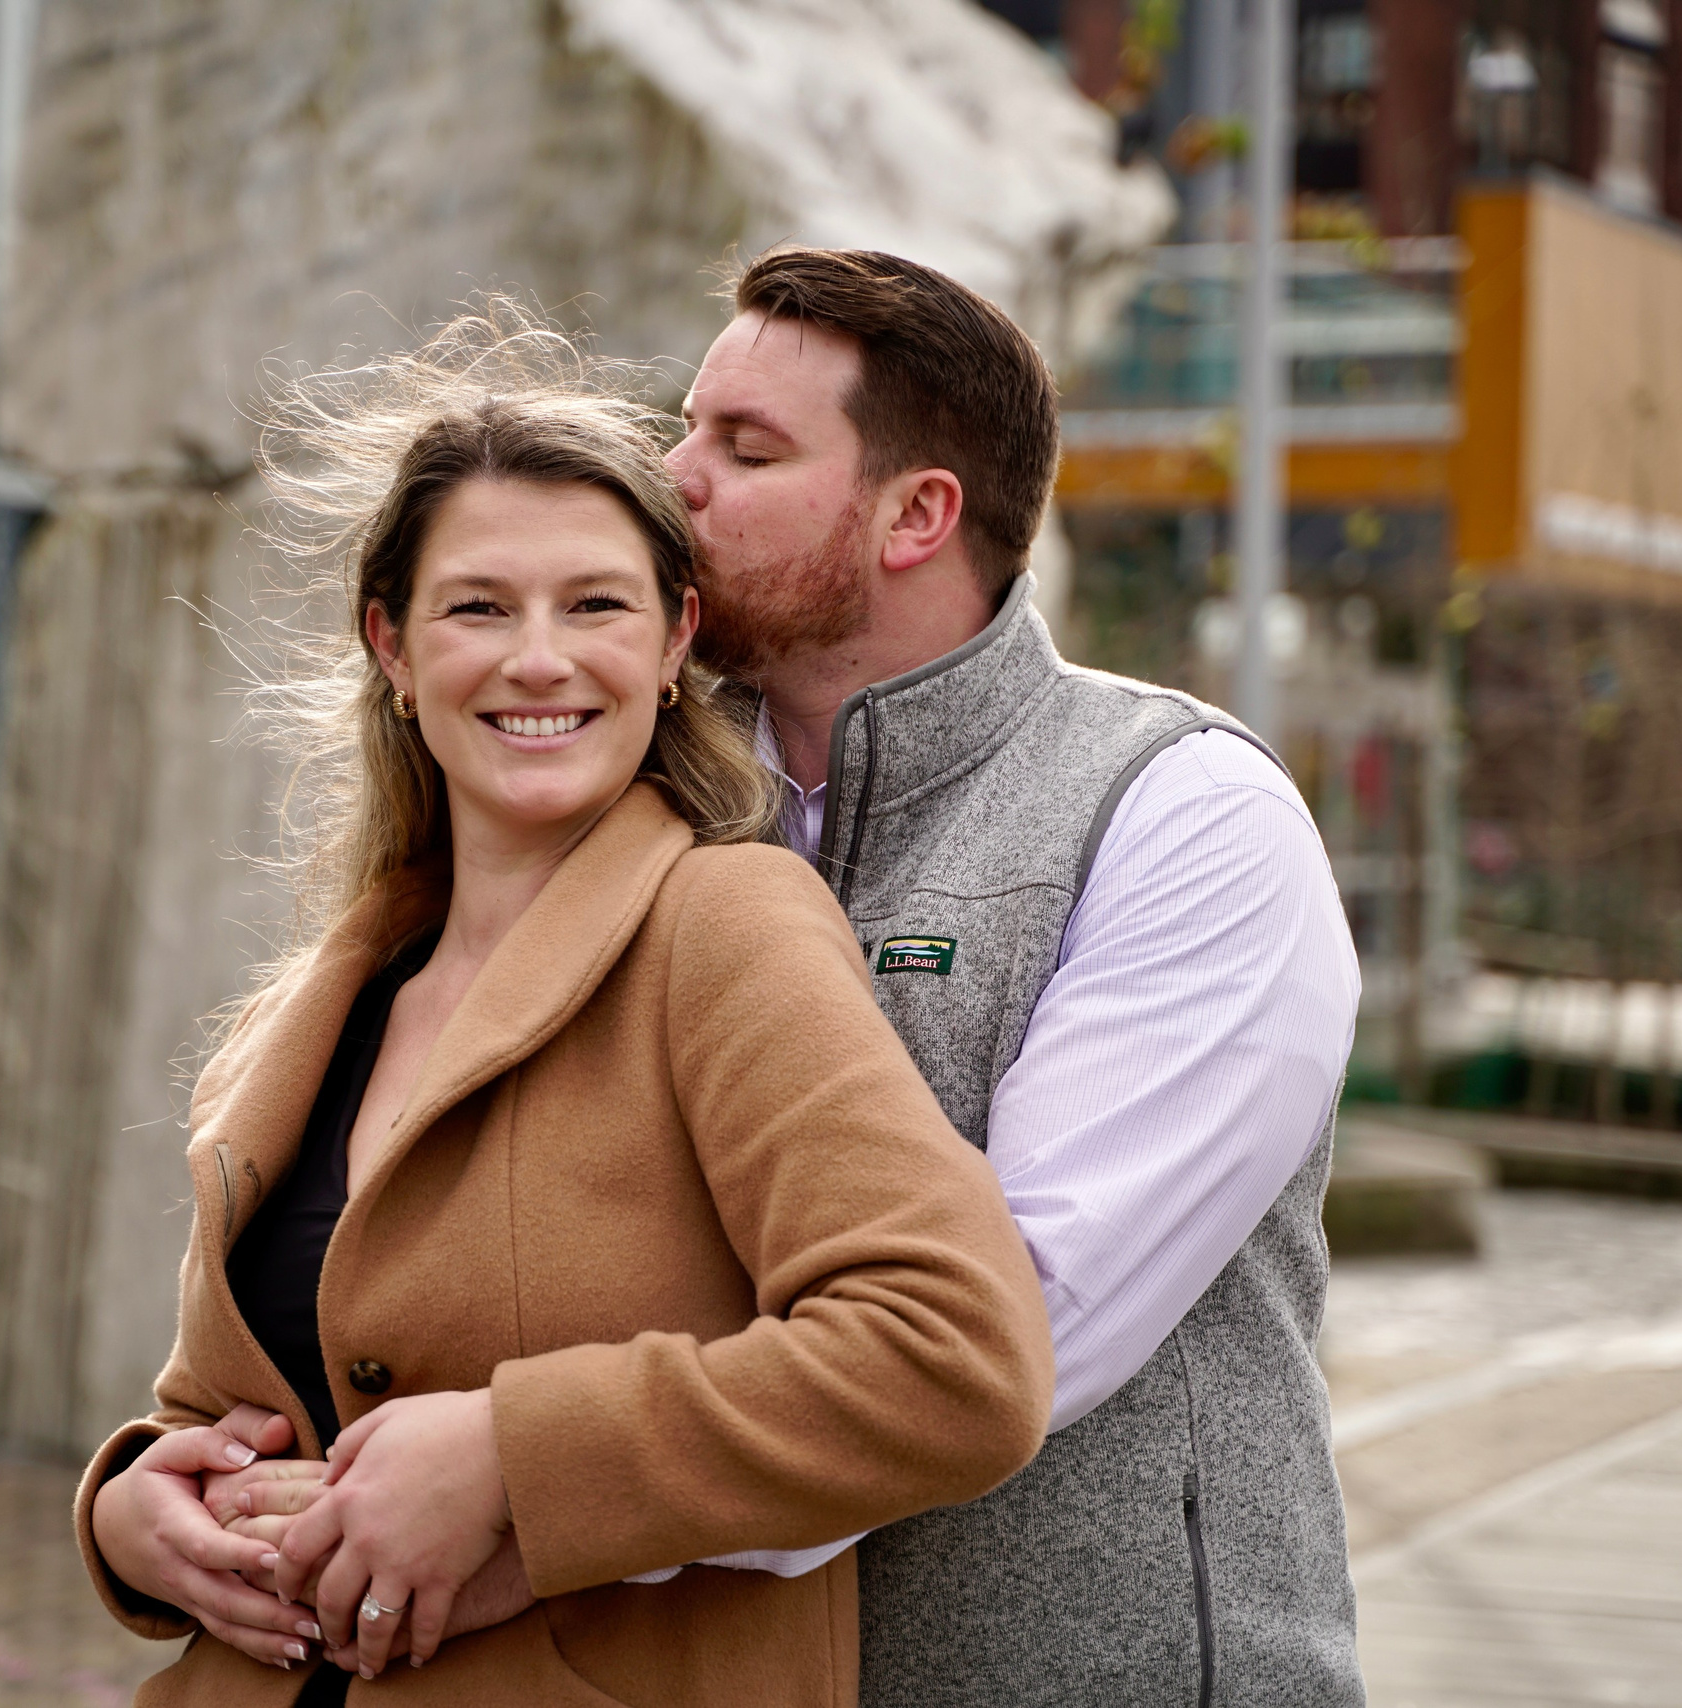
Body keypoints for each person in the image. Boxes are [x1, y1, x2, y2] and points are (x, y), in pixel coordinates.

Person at [72, 310, 1053, 1706]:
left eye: (595, 606)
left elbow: (954, 1358)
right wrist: (131, 1508)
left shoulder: (725, 925)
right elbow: (230, 1402)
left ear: (675, 642)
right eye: (478, 607)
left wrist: (510, 1459)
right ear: (392, 647)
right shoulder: (324, 1001)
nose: (539, 660)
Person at [656, 248, 1365, 1706]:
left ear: (917, 515)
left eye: (746, 448)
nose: (675, 478)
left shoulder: (1185, 814)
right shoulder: (646, 809)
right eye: (686, 428)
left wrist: (524, 1500)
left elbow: (1009, 1335)